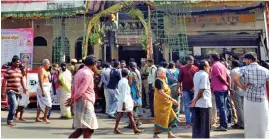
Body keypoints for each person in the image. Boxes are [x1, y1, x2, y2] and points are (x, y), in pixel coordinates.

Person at [233, 52, 269, 138]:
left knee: (250, 120)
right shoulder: (266, 70)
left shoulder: (244, 69)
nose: (244, 61)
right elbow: (268, 86)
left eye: (245, 59)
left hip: (249, 99)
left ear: (250, 60)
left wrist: (242, 86)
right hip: (262, 99)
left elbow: (235, 79)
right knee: (262, 120)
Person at [66, 55, 99, 138]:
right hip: (85, 102)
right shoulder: (87, 74)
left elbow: (73, 87)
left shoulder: (79, 72)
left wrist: (72, 98)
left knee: (81, 129)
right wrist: (72, 99)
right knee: (88, 128)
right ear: (94, 64)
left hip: (79, 101)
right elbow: (81, 90)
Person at [114, 68, 143, 134]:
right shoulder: (124, 82)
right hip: (125, 100)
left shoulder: (121, 81)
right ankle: (134, 129)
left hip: (124, 99)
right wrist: (124, 103)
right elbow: (124, 93)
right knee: (127, 114)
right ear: (127, 74)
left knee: (127, 114)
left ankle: (134, 129)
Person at [153, 67, 179, 138]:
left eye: (164, 72)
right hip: (161, 104)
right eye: (162, 72)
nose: (164, 73)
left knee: (170, 117)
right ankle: (155, 134)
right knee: (160, 119)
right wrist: (172, 99)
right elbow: (161, 92)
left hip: (167, 104)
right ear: (158, 73)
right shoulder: (158, 81)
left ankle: (169, 134)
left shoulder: (164, 80)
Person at [2, 56, 27, 126]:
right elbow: (4, 81)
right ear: (13, 62)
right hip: (10, 90)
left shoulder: (19, 70)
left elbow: (22, 80)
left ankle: (10, 119)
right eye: (17, 62)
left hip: (17, 91)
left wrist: (24, 88)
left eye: (19, 62)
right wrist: (3, 92)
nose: (18, 63)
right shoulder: (9, 71)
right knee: (14, 104)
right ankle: (10, 120)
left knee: (14, 106)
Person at [210, 54, 232, 131]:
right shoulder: (222, 65)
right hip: (224, 89)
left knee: (221, 108)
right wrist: (229, 86)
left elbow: (220, 77)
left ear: (213, 58)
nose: (210, 60)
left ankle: (223, 125)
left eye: (210, 58)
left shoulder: (215, 66)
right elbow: (229, 77)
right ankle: (224, 124)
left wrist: (226, 84)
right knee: (224, 107)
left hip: (218, 89)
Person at [190, 60, 212, 138]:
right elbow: (202, 89)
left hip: (198, 102)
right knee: (205, 125)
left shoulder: (196, 74)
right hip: (204, 103)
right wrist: (195, 100)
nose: (209, 67)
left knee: (197, 123)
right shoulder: (205, 75)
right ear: (204, 67)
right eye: (208, 66)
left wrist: (195, 100)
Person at [177, 55, 199, 128]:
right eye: (189, 61)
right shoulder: (182, 68)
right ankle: (188, 122)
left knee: (194, 106)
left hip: (194, 90)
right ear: (187, 61)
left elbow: (198, 80)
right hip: (185, 90)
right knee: (187, 106)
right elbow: (179, 80)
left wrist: (195, 87)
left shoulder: (196, 68)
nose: (191, 62)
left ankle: (193, 121)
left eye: (192, 61)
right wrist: (178, 89)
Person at [36, 59, 52, 124]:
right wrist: (42, 90)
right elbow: (41, 80)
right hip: (43, 88)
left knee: (40, 103)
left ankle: (37, 118)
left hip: (46, 88)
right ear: (45, 64)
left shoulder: (45, 70)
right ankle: (45, 118)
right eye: (48, 64)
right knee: (48, 103)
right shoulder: (41, 70)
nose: (49, 65)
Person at [230, 60, 244, 129]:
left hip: (237, 90)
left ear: (233, 64)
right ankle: (242, 122)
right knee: (243, 108)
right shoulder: (242, 69)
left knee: (238, 108)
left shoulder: (233, 71)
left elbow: (232, 82)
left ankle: (241, 124)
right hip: (243, 90)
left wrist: (231, 90)